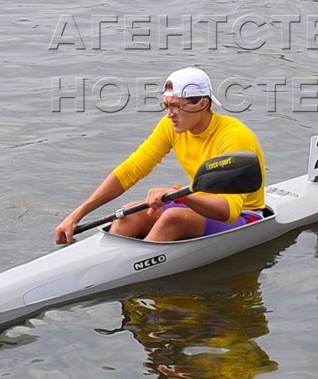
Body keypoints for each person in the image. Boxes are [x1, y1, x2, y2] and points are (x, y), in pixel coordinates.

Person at [53, 67, 267, 245]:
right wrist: (76, 215)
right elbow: (130, 171)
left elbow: (229, 211)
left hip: (245, 216)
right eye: (166, 105)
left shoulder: (234, 136)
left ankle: (134, 270)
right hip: (198, 205)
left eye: (176, 107)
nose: (169, 114)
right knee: (128, 213)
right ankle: (104, 266)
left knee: (173, 217)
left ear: (202, 104)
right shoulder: (172, 126)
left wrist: (182, 196)